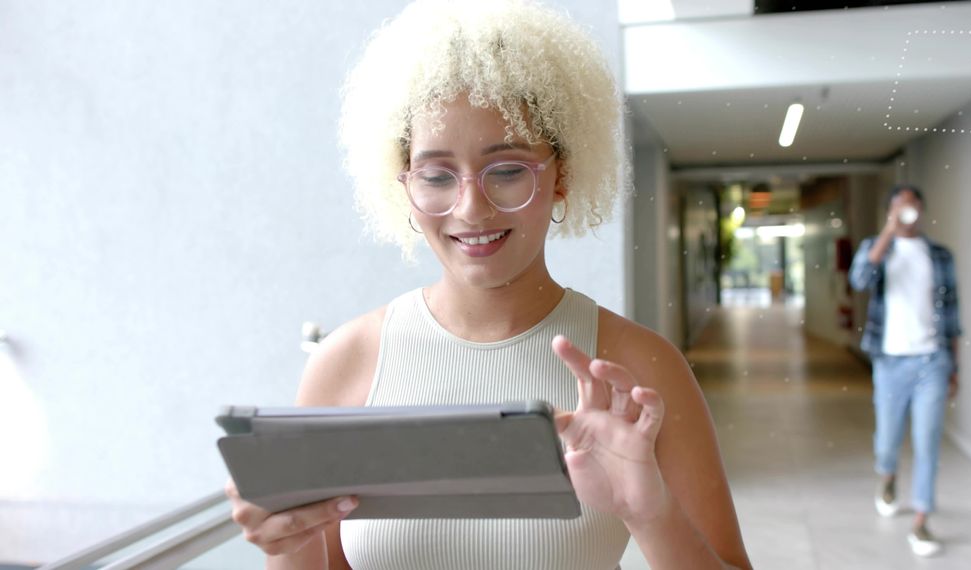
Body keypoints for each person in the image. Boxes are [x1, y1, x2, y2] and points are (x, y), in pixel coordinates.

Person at [224, 1, 752, 568]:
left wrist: (650, 513)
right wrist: (288, 542)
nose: (471, 209)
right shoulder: (346, 363)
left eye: (506, 170)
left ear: (562, 175)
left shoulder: (641, 369)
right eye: (435, 175)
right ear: (403, 184)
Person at [849, 184, 962, 557]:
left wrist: (954, 368)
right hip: (890, 361)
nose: (906, 214)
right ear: (890, 212)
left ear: (922, 210)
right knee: (888, 439)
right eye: (899, 208)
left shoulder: (940, 256)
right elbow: (860, 280)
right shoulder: (878, 248)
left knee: (928, 440)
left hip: (933, 359)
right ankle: (888, 475)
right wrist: (887, 232)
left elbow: (953, 316)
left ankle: (921, 521)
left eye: (912, 208)